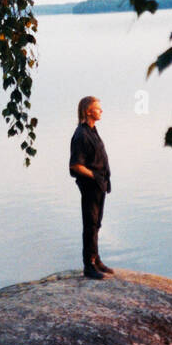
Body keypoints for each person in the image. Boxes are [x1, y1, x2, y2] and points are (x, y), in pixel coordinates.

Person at [69, 96, 113, 279]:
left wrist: (103, 179)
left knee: (96, 223)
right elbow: (75, 166)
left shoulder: (93, 131)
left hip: (100, 185)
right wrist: (94, 176)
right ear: (88, 111)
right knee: (90, 224)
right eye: (98, 108)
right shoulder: (81, 135)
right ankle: (89, 266)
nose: (101, 111)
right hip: (90, 186)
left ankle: (96, 259)